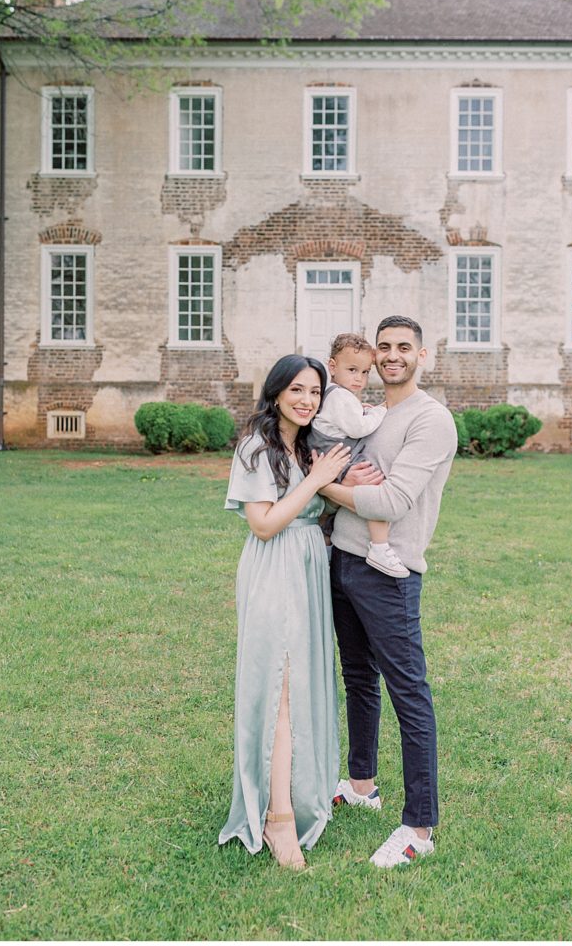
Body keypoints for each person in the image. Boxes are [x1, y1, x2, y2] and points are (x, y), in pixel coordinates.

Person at [319, 316, 458, 869]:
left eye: (404, 347)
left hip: (390, 573)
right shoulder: (364, 412)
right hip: (345, 560)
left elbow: (391, 502)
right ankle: (362, 785)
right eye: (384, 347)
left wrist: (315, 485)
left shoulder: (431, 420)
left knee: (409, 693)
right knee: (358, 679)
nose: (392, 355)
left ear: (422, 355)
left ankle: (420, 827)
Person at [218, 355, 351, 870]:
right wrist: (316, 482)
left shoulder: (305, 446)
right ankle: (277, 819)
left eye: (316, 392)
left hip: (309, 569)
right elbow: (265, 524)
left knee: (304, 687)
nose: (307, 400)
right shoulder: (256, 446)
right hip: (274, 570)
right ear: (275, 392)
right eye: (297, 389)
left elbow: (314, 511)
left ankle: (298, 794)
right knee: (281, 691)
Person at [308, 332, 409, 579]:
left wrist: (363, 410)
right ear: (332, 367)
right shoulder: (341, 396)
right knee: (373, 487)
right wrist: (380, 411)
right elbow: (358, 428)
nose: (359, 379)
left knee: (333, 511)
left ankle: (326, 544)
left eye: (365, 372)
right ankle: (380, 546)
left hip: (330, 452)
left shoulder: (335, 394)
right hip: (337, 454)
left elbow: (348, 419)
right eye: (352, 370)